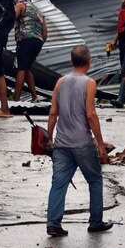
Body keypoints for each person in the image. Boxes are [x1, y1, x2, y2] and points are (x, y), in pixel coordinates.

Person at [46, 44, 112, 237]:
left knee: (59, 183)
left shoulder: (60, 82)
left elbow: (53, 113)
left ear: (70, 61)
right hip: (82, 143)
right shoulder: (89, 83)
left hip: (62, 143)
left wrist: (49, 137)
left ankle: (53, 223)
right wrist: (100, 144)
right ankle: (95, 222)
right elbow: (91, 114)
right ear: (89, 62)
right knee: (94, 179)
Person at [12, 0, 47, 102]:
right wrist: (39, 42)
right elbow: (45, 33)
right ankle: (34, 97)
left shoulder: (21, 5)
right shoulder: (38, 11)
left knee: (21, 69)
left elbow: (10, 19)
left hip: (25, 40)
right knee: (27, 68)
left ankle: (16, 100)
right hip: (38, 42)